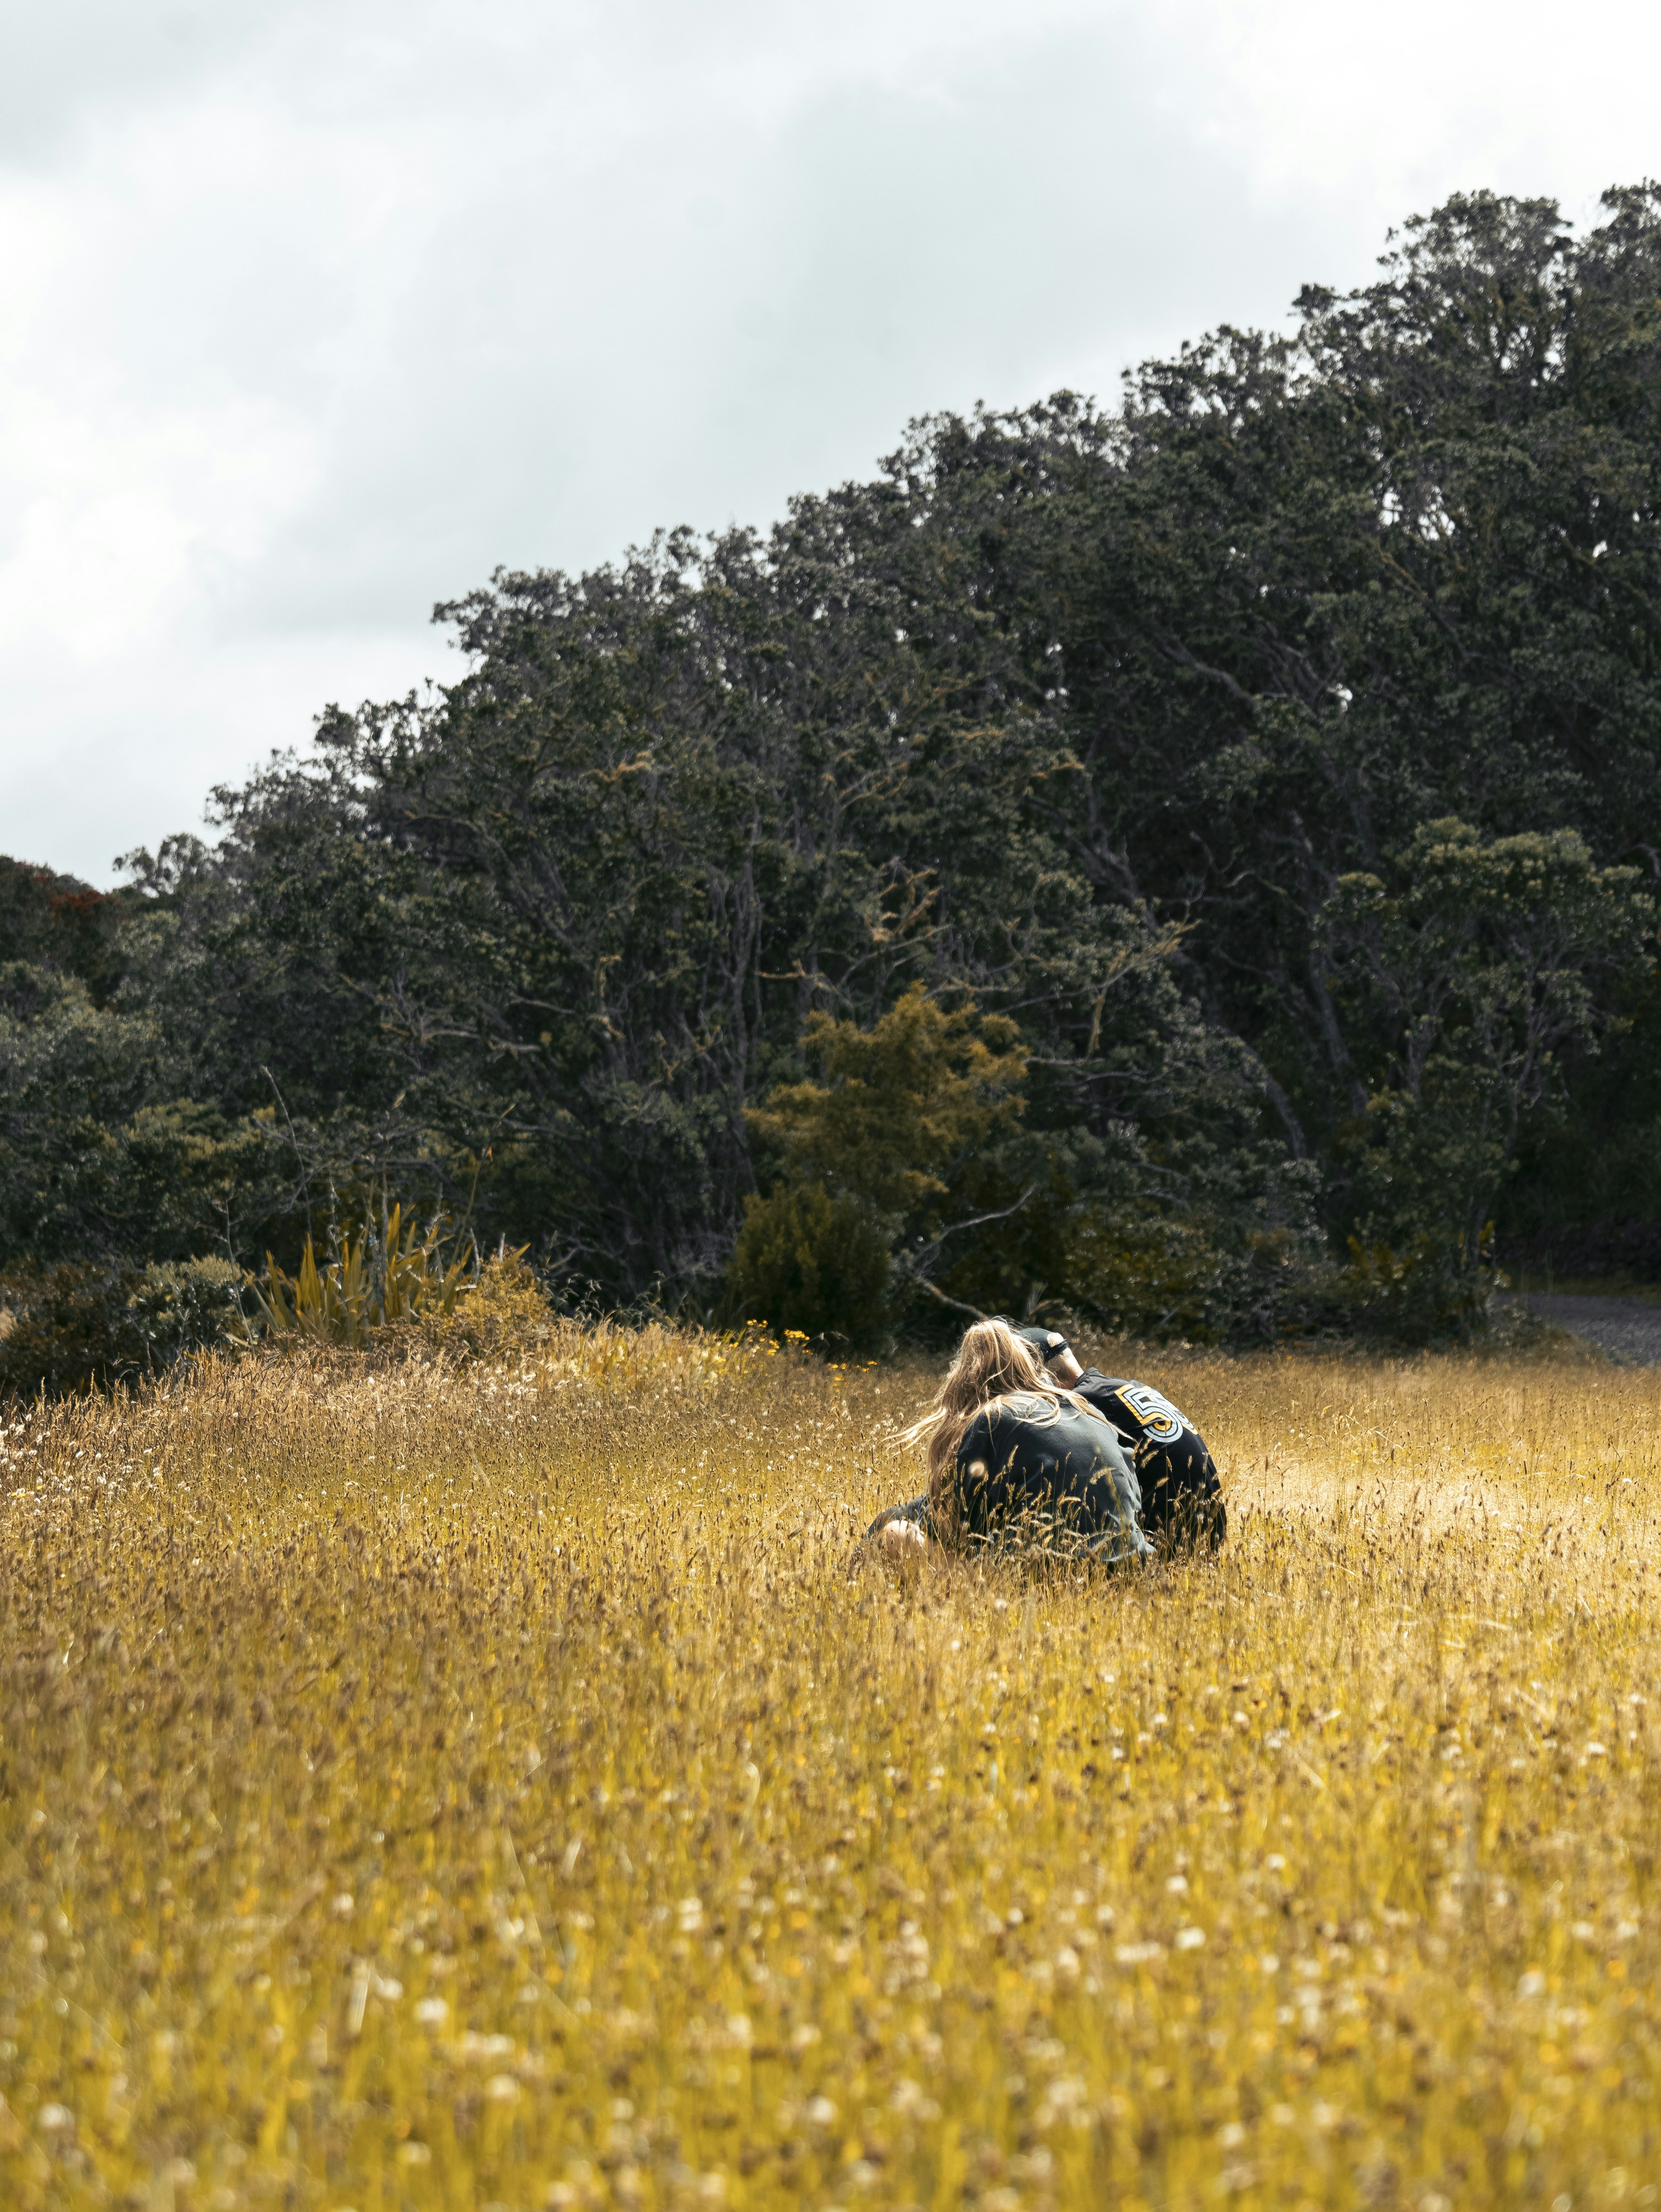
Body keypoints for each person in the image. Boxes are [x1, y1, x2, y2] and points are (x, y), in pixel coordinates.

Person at [860, 1317, 1151, 1570]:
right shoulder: (1090, 1411)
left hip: (1045, 1578)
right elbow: (1132, 1497)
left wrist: (888, 1522)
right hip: (1134, 1568)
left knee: (895, 1534)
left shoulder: (994, 1418)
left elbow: (954, 1521)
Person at [1014, 1324, 1225, 1550]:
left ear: (1038, 1376)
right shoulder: (1122, 1387)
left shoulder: (1082, 1403)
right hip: (1212, 1531)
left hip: (1170, 1541)